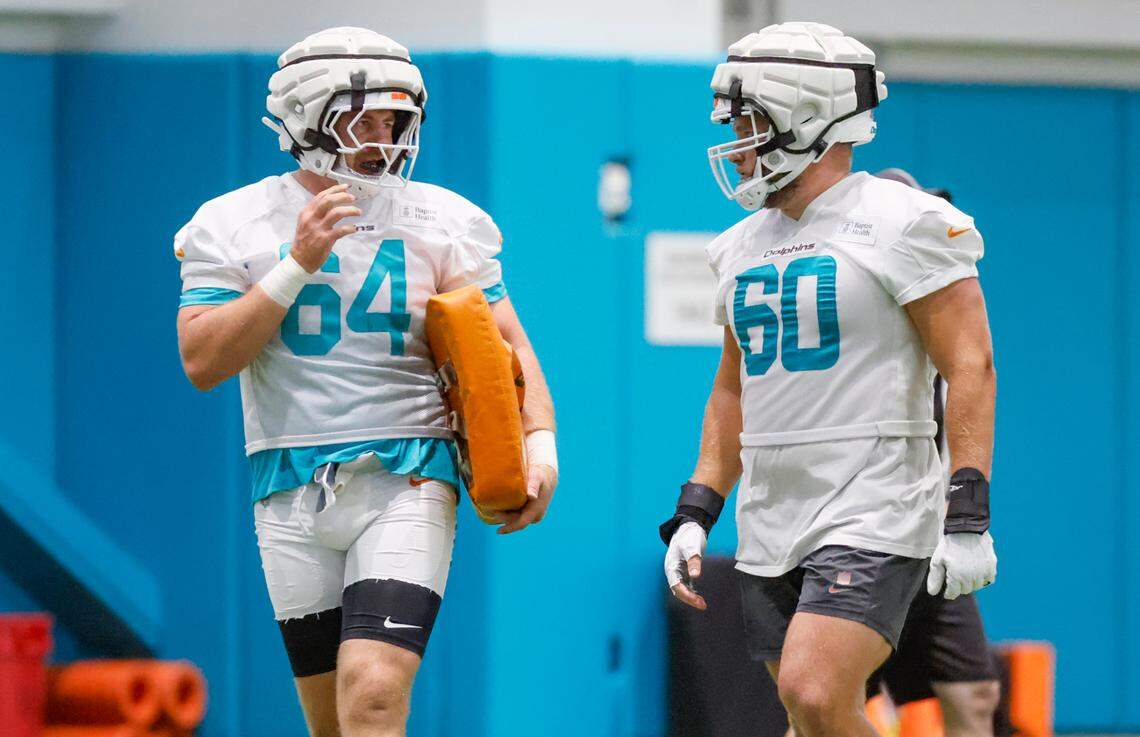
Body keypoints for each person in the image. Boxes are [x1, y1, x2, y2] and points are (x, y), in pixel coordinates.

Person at [174, 26, 558, 737]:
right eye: (368, 119)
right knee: (331, 722)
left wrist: (540, 443)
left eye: (396, 120)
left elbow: (509, 344)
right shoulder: (231, 222)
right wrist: (296, 263)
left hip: (407, 472)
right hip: (287, 479)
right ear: (308, 118)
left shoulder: (442, 219)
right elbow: (202, 361)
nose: (387, 138)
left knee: (374, 691)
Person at [658, 21, 998, 737]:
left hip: (875, 501)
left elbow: (969, 364)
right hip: (772, 509)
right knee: (809, 717)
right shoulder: (738, 246)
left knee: (813, 691)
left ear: (807, 119)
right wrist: (696, 510)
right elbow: (733, 387)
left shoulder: (907, 222)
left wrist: (967, 511)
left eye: (750, 123)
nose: (738, 144)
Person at [866, 168, 1001, 737]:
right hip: (860, 539)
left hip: (930, 539)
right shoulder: (859, 337)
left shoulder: (948, 324)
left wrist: (964, 521)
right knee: (827, 704)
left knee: (974, 692)